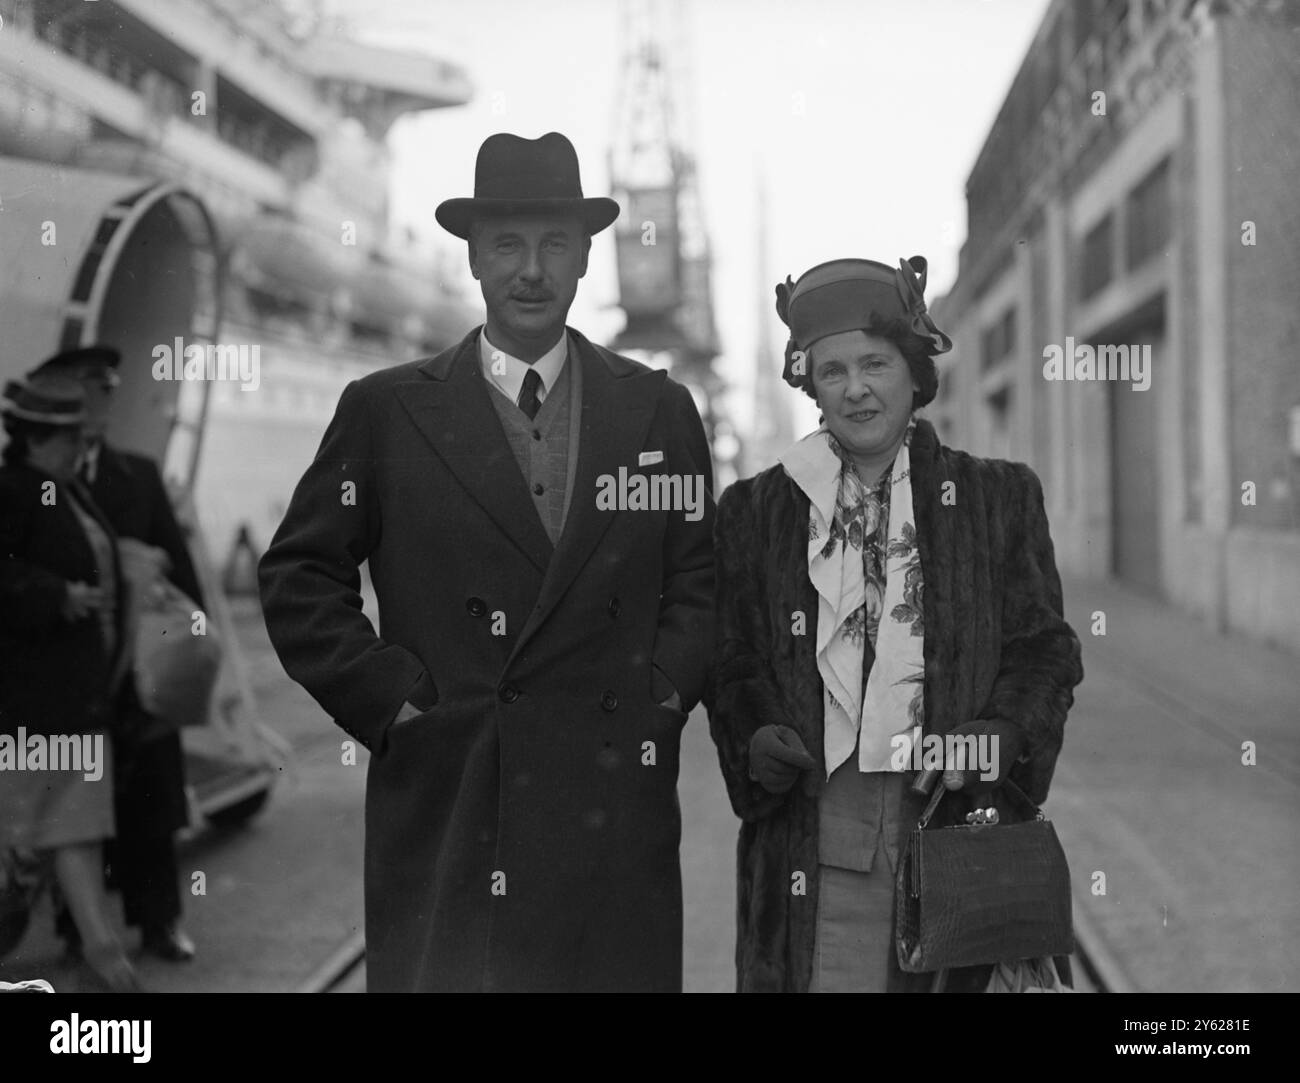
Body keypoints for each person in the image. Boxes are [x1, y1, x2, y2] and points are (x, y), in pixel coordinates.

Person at [259, 131, 715, 992]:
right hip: (455, 803)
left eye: (554, 244)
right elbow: (298, 578)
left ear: (586, 258)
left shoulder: (657, 410)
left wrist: (663, 692)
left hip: (612, 809)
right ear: (472, 257)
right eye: (507, 244)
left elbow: (698, 579)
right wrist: (393, 705)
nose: (531, 270)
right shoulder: (387, 412)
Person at [705, 256, 1084, 993]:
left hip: (957, 842)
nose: (856, 387)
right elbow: (729, 656)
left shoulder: (997, 498)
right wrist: (752, 731)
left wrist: (1006, 732)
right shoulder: (757, 512)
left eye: (876, 362)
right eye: (833, 368)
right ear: (810, 383)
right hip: (814, 853)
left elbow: (1044, 649)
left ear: (914, 373)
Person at [29, 346, 202, 965]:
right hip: (72, 670)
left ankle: (160, 922)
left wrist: (184, 653)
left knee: (152, 803)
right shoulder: (39, 484)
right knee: (79, 804)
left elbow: (182, 575)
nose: (98, 405)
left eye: (104, 393)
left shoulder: (138, 474)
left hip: (137, 669)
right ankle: (80, 931)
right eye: (87, 393)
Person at [0, 376, 143, 992]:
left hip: (76, 695)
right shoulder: (13, 490)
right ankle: (106, 959)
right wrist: (57, 594)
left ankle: (104, 955)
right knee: (33, 835)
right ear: (38, 438)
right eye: (68, 437)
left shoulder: (63, 490)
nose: (79, 445)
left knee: (70, 830)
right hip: (34, 698)